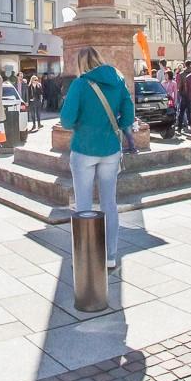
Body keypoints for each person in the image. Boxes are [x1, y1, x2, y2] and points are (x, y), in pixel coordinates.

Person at [59, 46, 135, 270]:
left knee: (83, 205)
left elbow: (66, 120)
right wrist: (116, 125)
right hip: (110, 149)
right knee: (109, 203)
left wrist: (82, 123)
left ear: (81, 64)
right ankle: (110, 256)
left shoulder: (80, 84)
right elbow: (129, 115)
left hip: (84, 148)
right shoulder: (118, 80)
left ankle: (86, 258)